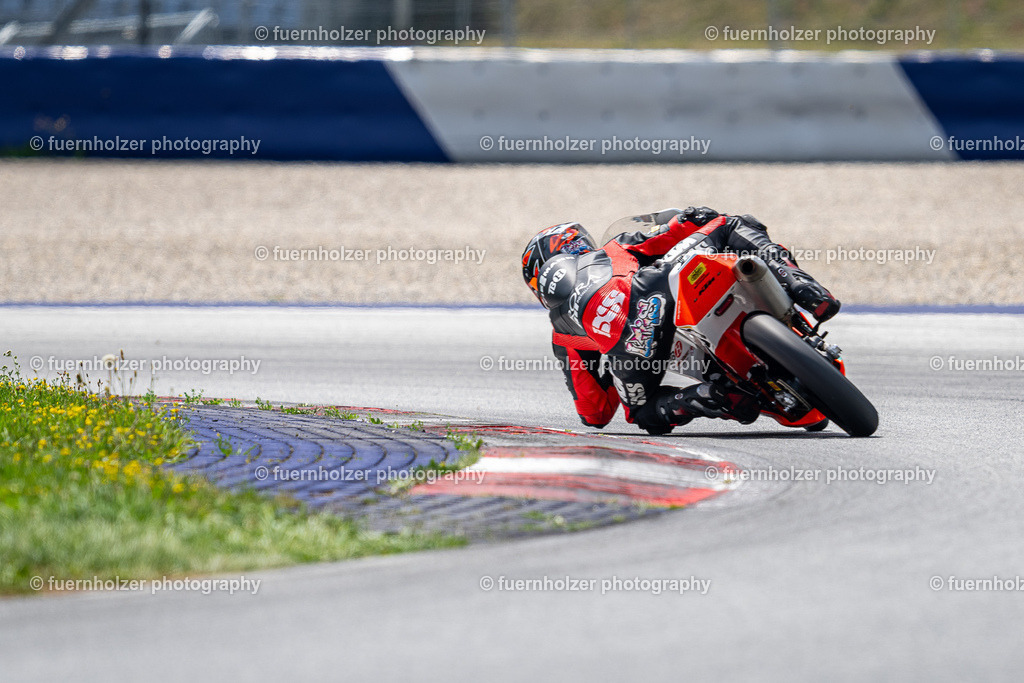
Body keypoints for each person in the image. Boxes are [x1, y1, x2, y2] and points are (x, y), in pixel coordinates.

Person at [520, 206, 841, 434]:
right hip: (656, 292)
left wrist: (609, 360)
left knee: (642, 414)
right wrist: (692, 216)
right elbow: (689, 225)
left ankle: (706, 399)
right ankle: (805, 288)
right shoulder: (614, 248)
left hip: (635, 350)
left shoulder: (563, 333)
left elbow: (595, 414)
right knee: (732, 224)